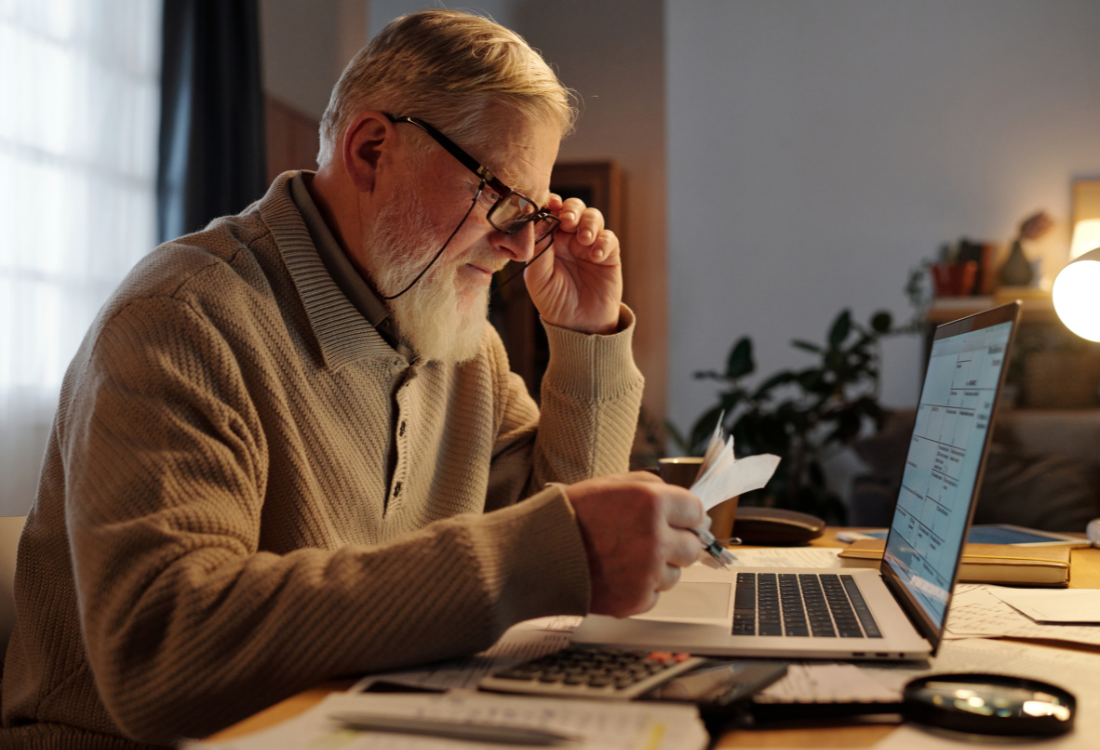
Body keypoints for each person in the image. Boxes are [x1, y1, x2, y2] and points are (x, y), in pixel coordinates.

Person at [0, 10, 706, 749]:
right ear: (371, 149)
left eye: (534, 212)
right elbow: (164, 656)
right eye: (500, 195)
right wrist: (533, 558)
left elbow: (574, 568)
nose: (522, 246)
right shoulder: (183, 320)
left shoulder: (463, 347)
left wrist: (587, 336)